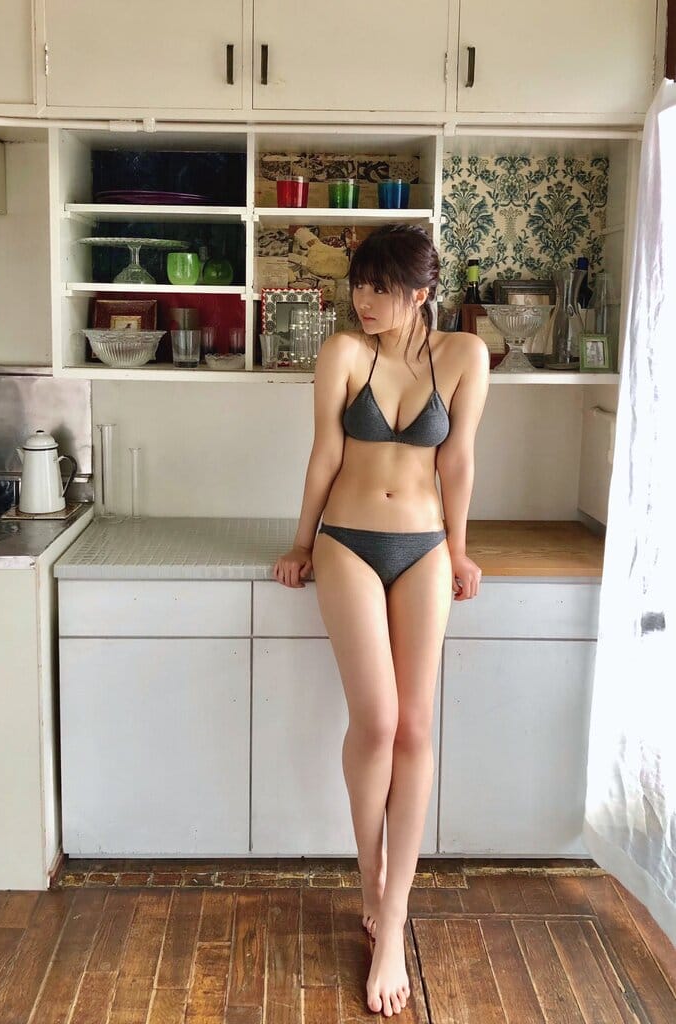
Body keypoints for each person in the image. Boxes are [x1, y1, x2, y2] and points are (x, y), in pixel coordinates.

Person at [272, 224, 490, 1018]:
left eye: (381, 288)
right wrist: (301, 543)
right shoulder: (342, 353)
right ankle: (370, 880)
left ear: (421, 291)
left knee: (415, 729)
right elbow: (324, 456)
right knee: (376, 723)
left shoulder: (464, 356)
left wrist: (458, 551)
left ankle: (393, 917)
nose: (363, 301)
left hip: (424, 545)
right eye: (358, 285)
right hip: (347, 542)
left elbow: (456, 460)